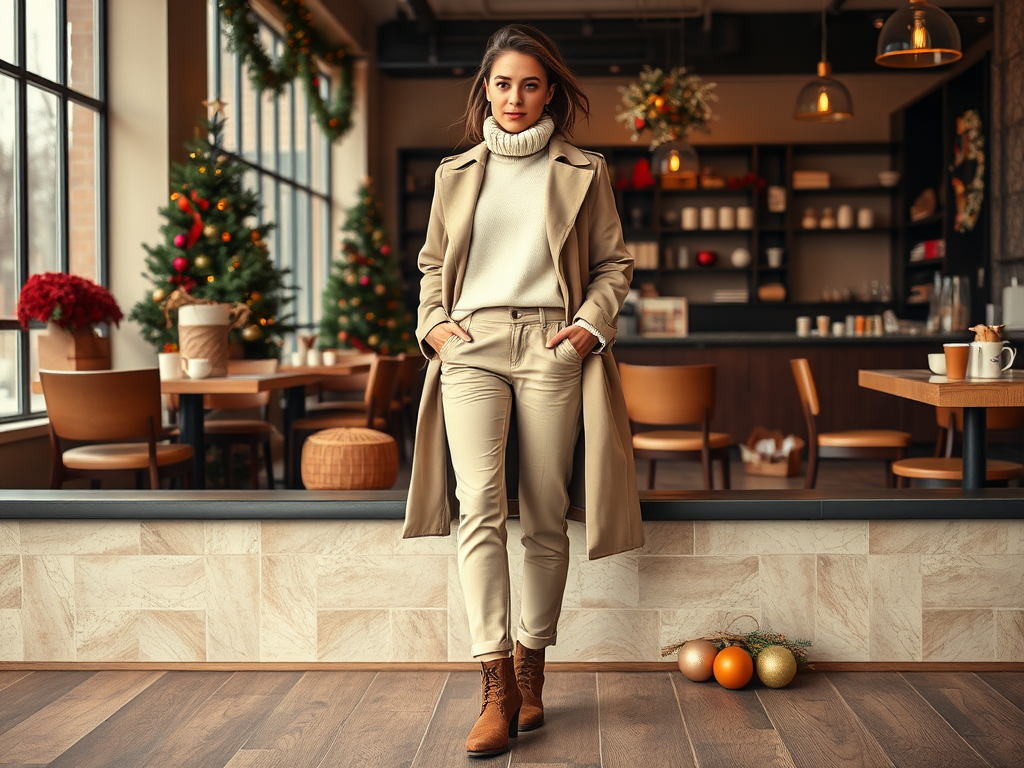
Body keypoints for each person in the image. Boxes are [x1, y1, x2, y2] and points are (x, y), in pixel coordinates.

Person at [402, 24, 644, 758]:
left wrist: (584, 330)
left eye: (530, 84)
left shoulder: (584, 170)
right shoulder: (455, 173)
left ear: (551, 92)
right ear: (486, 89)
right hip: (470, 349)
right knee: (479, 507)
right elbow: (431, 266)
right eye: (502, 83)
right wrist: (435, 326)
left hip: (550, 345)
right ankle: (495, 685)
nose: (515, 97)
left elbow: (613, 264)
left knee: (544, 511)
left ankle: (534, 670)